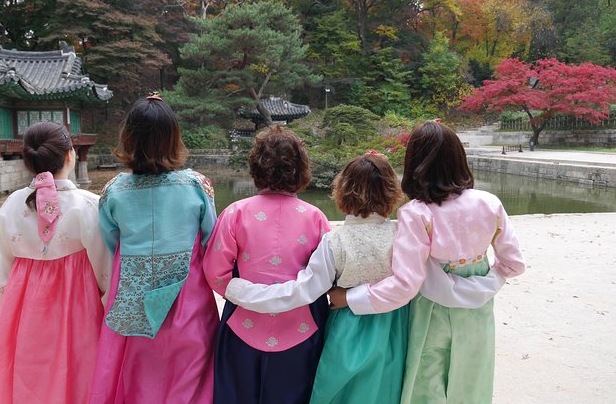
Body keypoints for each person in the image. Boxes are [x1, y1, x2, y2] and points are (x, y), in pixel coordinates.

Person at [330, 120, 526, 404]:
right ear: (460, 159)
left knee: (427, 385)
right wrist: (487, 279)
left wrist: (351, 298)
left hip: (432, 312)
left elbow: (405, 285)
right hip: (478, 312)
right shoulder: (489, 203)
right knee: (473, 381)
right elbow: (514, 263)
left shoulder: (417, 213)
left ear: (414, 163)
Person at [225, 151, 409, 404]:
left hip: (348, 326)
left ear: (342, 191)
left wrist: (243, 292)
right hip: (394, 326)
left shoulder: (335, 241)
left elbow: (304, 291)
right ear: (392, 191)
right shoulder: (403, 234)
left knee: (339, 392)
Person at [88, 95, 218, 404]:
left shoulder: (113, 191)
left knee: (138, 377)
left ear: (129, 139)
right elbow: (211, 239)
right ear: (173, 138)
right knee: (191, 376)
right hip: (189, 295)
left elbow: (110, 240)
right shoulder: (196, 186)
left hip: (134, 297)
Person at [0, 121, 111, 404]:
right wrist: (106, 303)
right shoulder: (88, 205)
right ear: (70, 154)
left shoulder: (12, 205)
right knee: (78, 373)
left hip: (24, 309)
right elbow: (106, 270)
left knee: (28, 376)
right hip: (78, 309)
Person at [203, 126, 331, 404]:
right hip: (301, 326)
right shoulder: (317, 218)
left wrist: (249, 295)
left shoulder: (235, 213)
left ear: (256, 166)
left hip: (243, 325)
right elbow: (326, 277)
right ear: (301, 168)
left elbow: (215, 274)